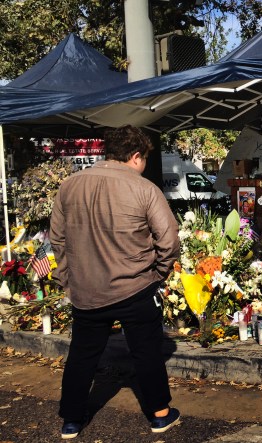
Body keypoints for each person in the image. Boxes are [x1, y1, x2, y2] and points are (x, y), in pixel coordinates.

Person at [50, 125, 181, 439]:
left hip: (87, 289)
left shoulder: (68, 187)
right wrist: (158, 273)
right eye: (144, 158)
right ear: (135, 156)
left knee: (82, 354)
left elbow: (57, 239)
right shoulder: (144, 188)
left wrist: (69, 278)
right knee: (147, 351)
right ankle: (160, 415)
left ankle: (71, 420)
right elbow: (169, 240)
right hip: (134, 285)